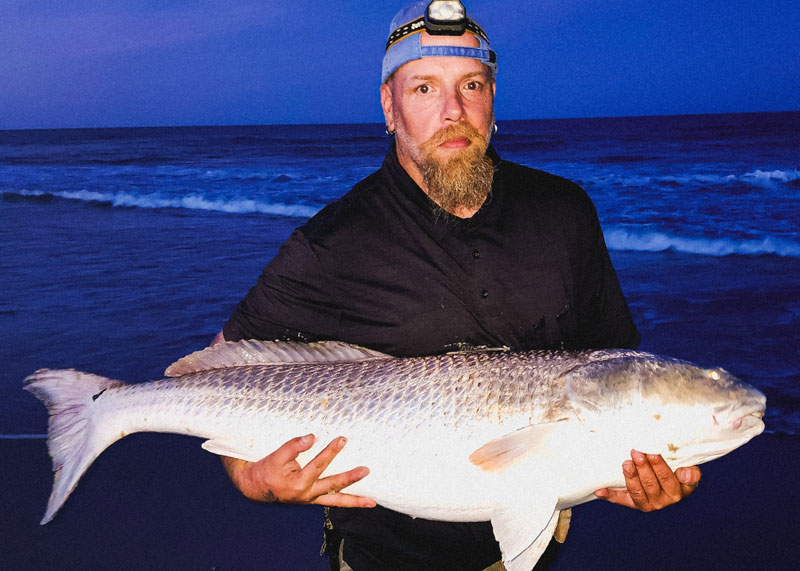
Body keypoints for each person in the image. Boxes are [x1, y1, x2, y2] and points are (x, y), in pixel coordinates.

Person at [211, 2, 702, 569]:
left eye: (471, 85)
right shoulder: (334, 242)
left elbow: (614, 370)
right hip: (382, 556)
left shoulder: (564, 212)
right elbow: (219, 365)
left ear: (492, 98)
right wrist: (252, 478)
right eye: (424, 88)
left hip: (535, 543)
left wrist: (643, 465)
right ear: (390, 106)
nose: (453, 111)